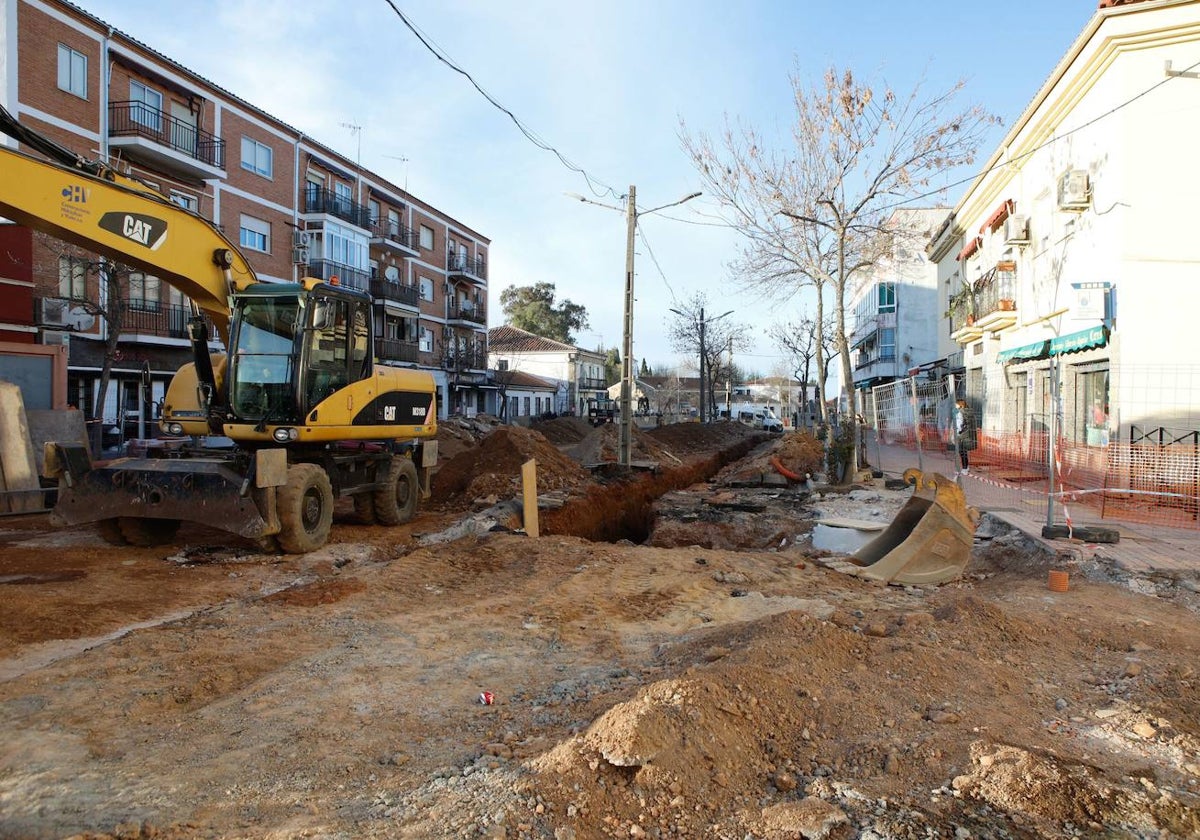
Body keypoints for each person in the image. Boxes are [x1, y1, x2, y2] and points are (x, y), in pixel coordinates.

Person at [955, 399, 977, 474]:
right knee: (964, 452)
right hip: (968, 434)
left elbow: (960, 423)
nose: (955, 405)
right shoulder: (969, 412)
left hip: (962, 434)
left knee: (962, 452)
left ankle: (964, 468)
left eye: (956, 404)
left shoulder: (960, 412)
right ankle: (966, 467)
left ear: (960, 405)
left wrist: (958, 432)